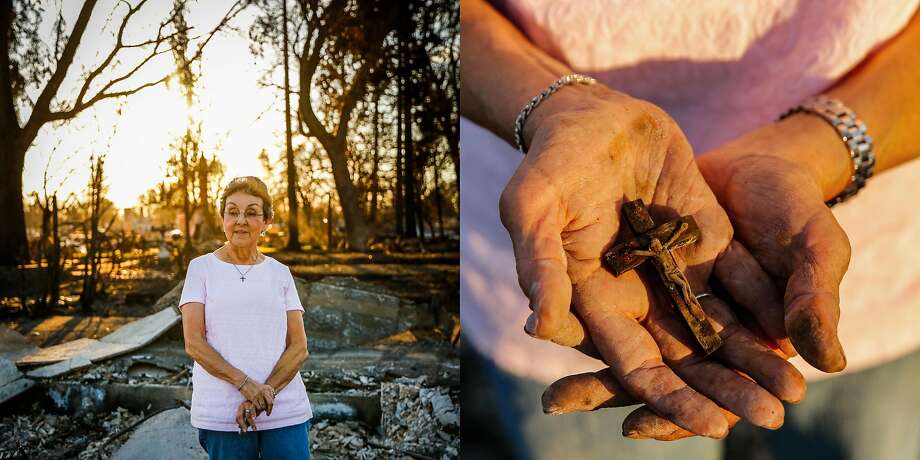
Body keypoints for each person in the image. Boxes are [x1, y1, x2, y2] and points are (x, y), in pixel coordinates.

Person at [460, 0, 920, 458]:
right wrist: (555, 109)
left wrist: (818, 150)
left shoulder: (668, 239)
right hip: (572, 252)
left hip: (875, 265)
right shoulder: (624, 252)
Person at [179, 176, 312, 459]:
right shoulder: (200, 269)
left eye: (251, 213)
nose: (241, 220)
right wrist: (246, 385)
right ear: (223, 218)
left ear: (265, 222)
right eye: (233, 211)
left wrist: (263, 395)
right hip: (223, 411)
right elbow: (193, 343)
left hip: (283, 407)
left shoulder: (280, 273)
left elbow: (299, 346)